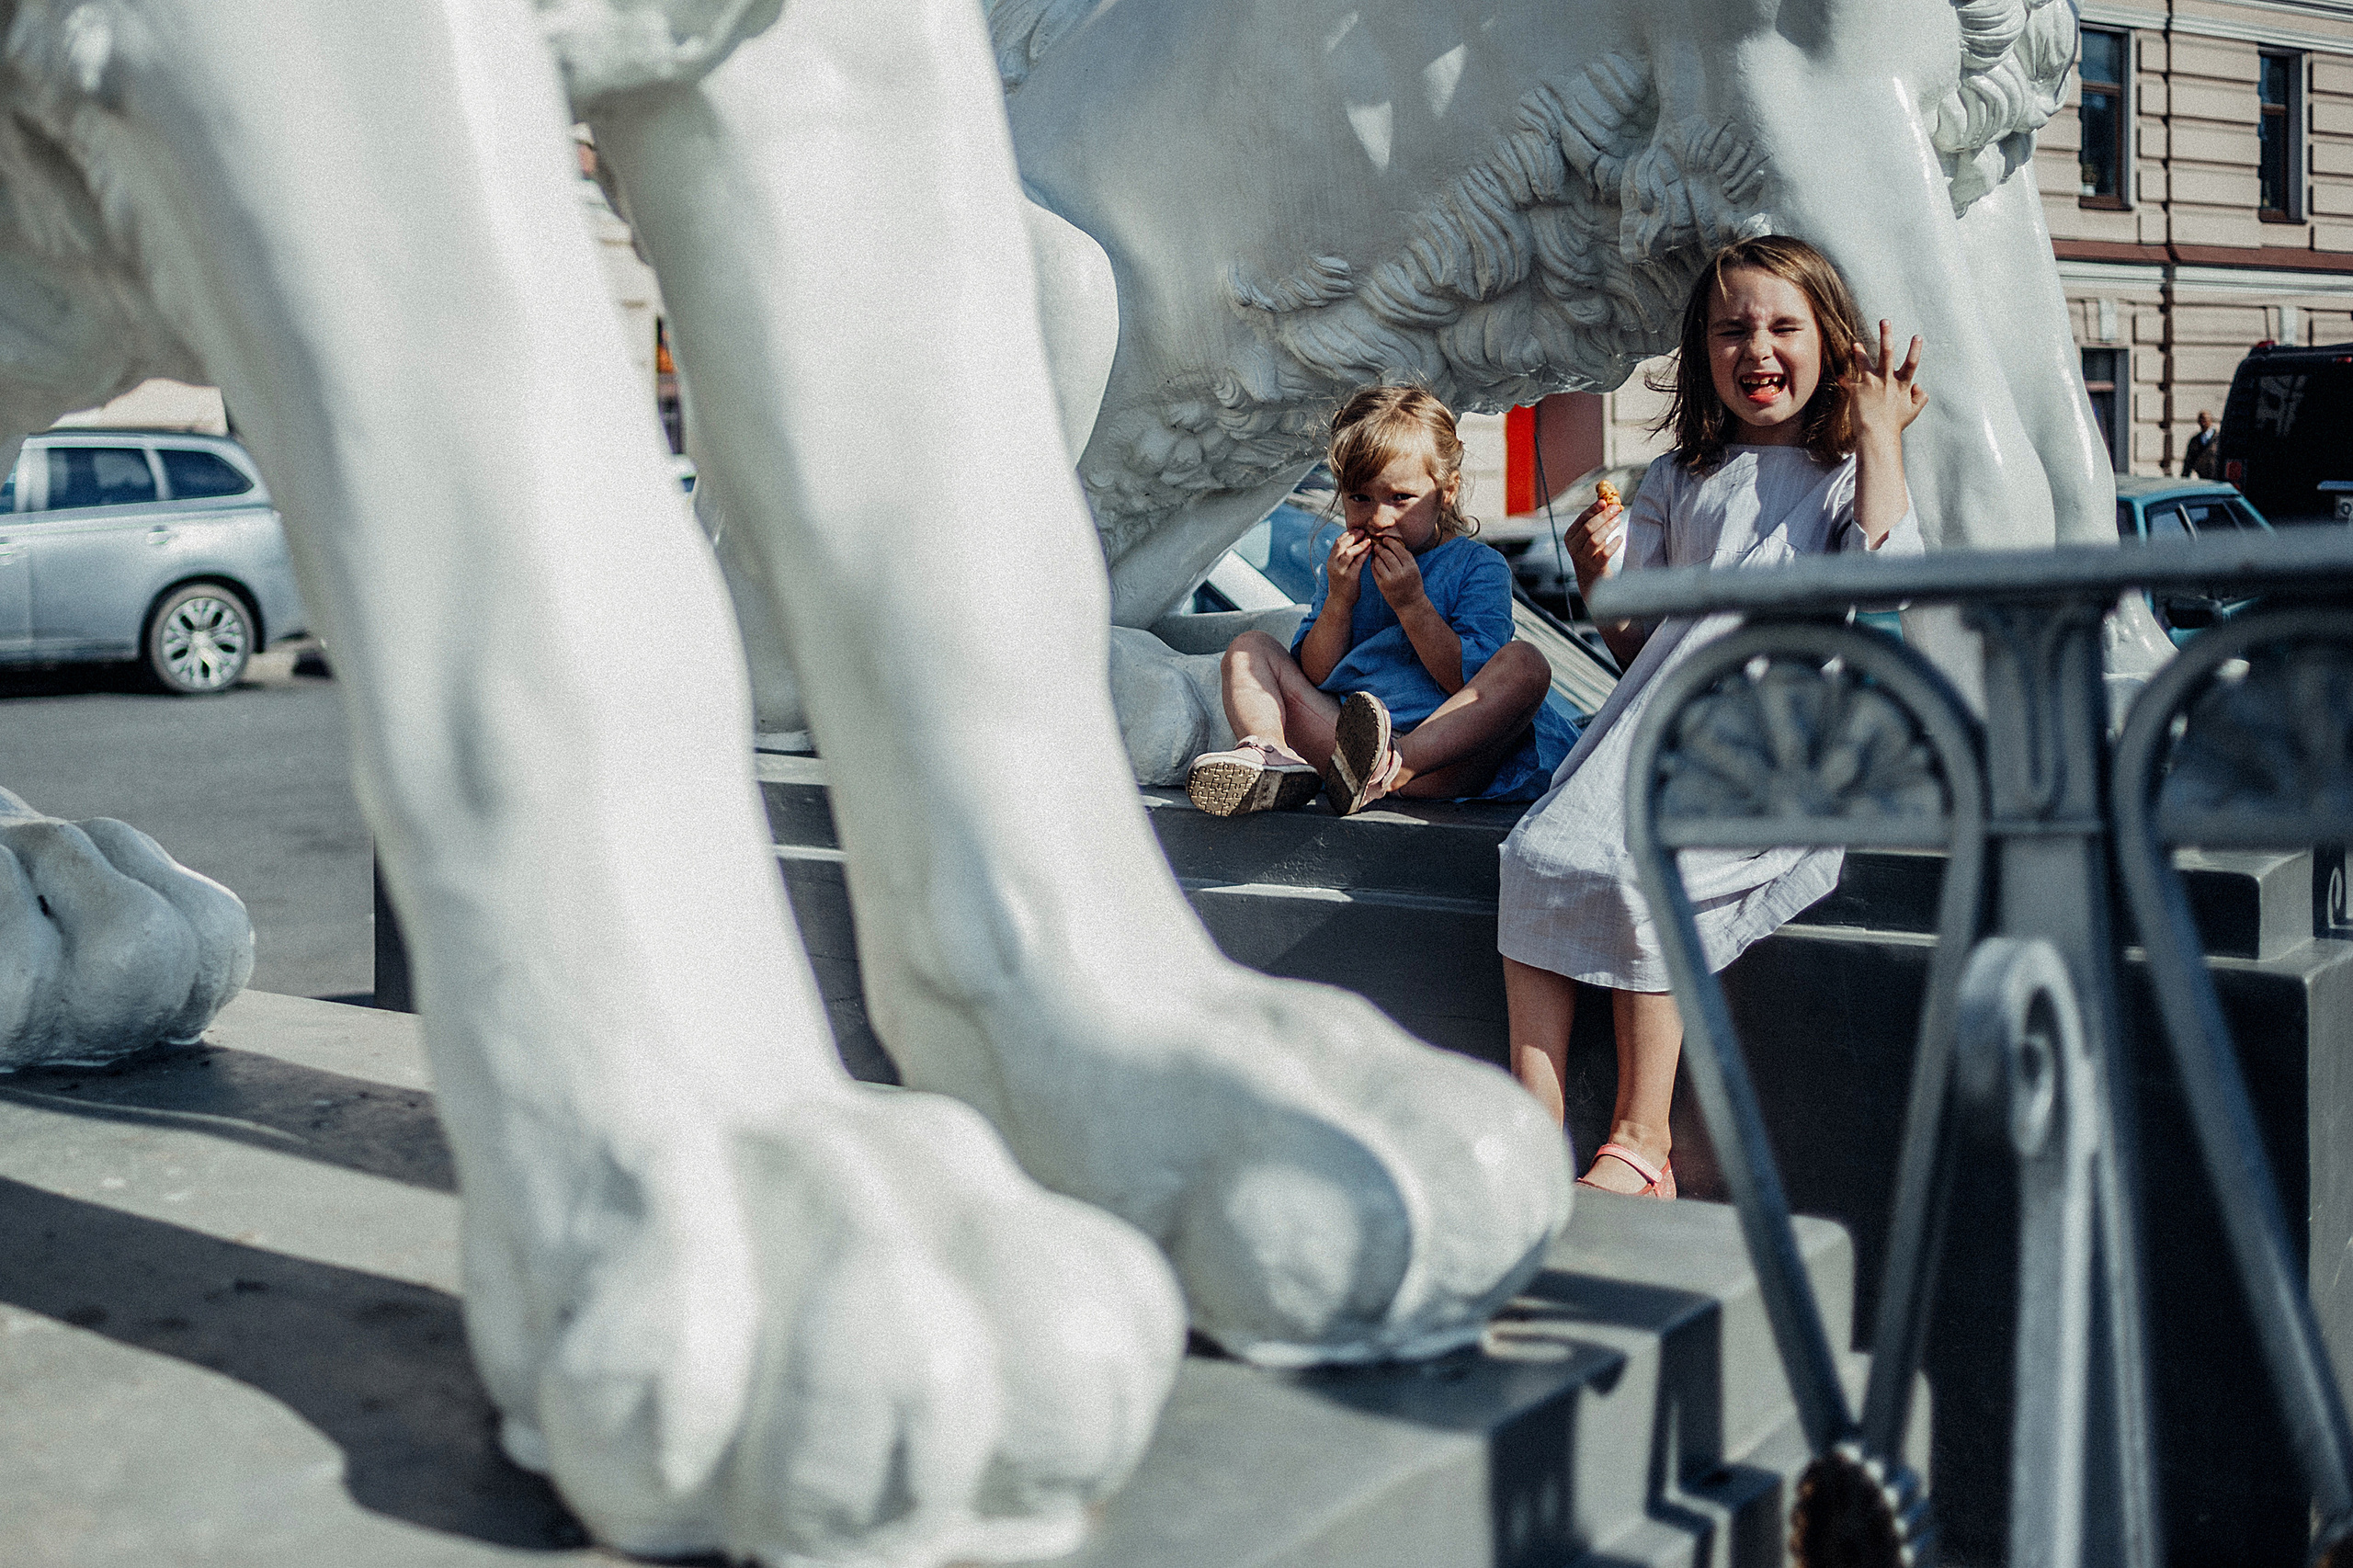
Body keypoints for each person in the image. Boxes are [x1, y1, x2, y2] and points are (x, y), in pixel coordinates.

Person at [1495, 236, 1927, 1197]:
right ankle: (1531, 1120)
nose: (1756, 348)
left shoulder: (1843, 473)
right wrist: (1599, 578)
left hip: (1778, 743)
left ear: (1831, 344)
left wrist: (1880, 435)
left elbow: (1887, 582)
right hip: (1660, 730)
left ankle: (1640, 1139)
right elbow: (1639, 646)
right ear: (1702, 352)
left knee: (1652, 867)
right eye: (1732, 330)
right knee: (1535, 856)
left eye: (1782, 327)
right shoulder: (1675, 478)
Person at [1187, 385, 1576, 816]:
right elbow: (1315, 674)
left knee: (1526, 664)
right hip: (1343, 754)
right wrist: (1339, 602)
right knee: (1250, 648)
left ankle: (1392, 766)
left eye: (1400, 498)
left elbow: (1467, 683)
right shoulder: (1344, 569)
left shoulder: (1477, 567)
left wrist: (1413, 606)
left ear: (1446, 491)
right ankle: (1273, 757)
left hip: (1439, 764)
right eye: (1359, 497)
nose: (1378, 518)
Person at [2183, 409, 2220, 479]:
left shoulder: (2218, 439)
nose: (2203, 422)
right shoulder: (2195, 440)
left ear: (2210, 420)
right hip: (2201, 478)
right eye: (2201, 419)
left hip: (2216, 478)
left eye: (2205, 419)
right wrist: (2185, 477)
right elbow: (2188, 460)